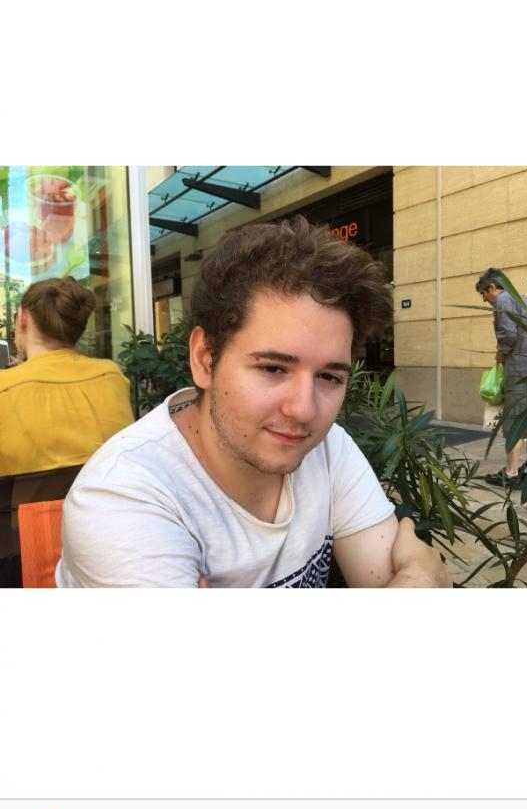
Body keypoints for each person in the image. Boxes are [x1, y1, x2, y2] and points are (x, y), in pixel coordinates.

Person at [58, 217, 450, 588]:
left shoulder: (329, 448)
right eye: (273, 368)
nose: (304, 410)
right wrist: (420, 576)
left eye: (329, 377)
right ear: (205, 359)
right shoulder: (124, 498)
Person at [0, 277, 134, 475]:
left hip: (30, 498)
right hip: (107, 495)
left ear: (22, 318)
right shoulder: (111, 376)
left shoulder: (5, 388)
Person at [475, 267, 527, 488]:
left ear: (492, 287)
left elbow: (508, 335)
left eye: (483, 293)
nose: (484, 300)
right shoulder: (526, 300)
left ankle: (511, 474)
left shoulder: (503, 300)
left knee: (516, 423)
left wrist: (500, 353)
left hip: (522, 371)